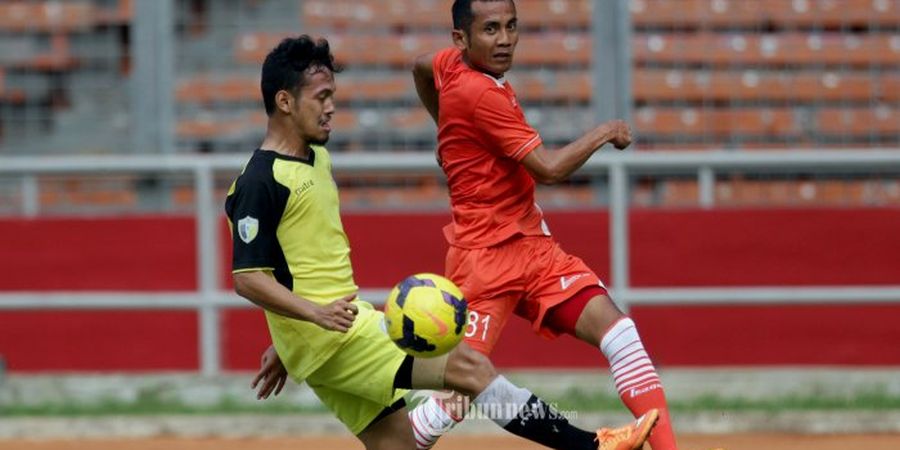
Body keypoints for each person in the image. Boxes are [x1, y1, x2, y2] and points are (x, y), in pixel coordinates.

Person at [227, 34, 657, 450]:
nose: (331, 107)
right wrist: (313, 316)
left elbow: (296, 265)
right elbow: (248, 279)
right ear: (284, 101)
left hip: (322, 341)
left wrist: (288, 342)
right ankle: (594, 446)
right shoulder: (259, 183)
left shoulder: (315, 156)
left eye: (332, 95)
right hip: (336, 336)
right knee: (471, 368)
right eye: (321, 97)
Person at [406, 1, 680, 449]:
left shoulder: (449, 65)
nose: (505, 38)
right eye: (491, 29)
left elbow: (419, 68)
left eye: (511, 26)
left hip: (532, 249)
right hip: (483, 261)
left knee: (619, 333)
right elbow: (548, 169)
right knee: (455, 399)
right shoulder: (481, 94)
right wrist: (605, 131)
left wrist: (447, 134)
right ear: (462, 39)